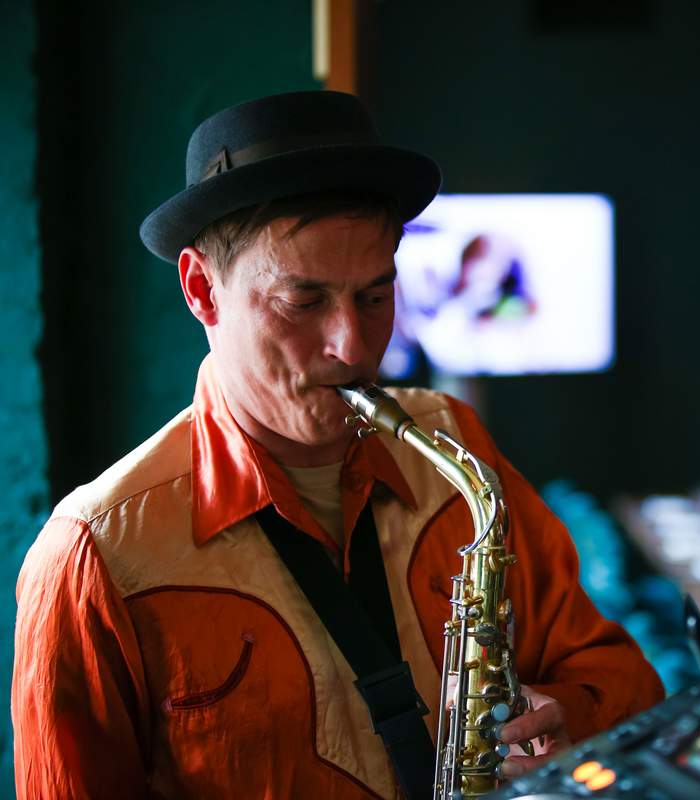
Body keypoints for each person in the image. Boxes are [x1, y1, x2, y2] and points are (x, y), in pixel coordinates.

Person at [12, 91, 663, 798]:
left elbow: (617, 674)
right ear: (202, 290)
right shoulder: (94, 555)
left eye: (375, 297)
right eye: (304, 301)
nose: (353, 349)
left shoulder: (453, 438)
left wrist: (576, 715)